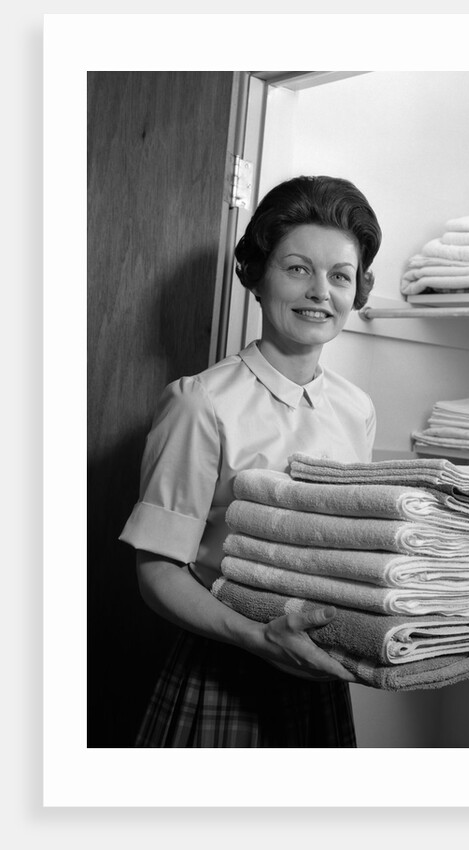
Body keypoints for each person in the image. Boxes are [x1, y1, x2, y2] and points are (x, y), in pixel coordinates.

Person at [119, 175, 382, 747]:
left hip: (322, 675)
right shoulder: (201, 401)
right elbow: (157, 571)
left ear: (358, 291)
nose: (320, 291)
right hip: (223, 667)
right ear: (257, 276)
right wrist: (259, 638)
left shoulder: (356, 409)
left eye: (340, 276)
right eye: (297, 269)